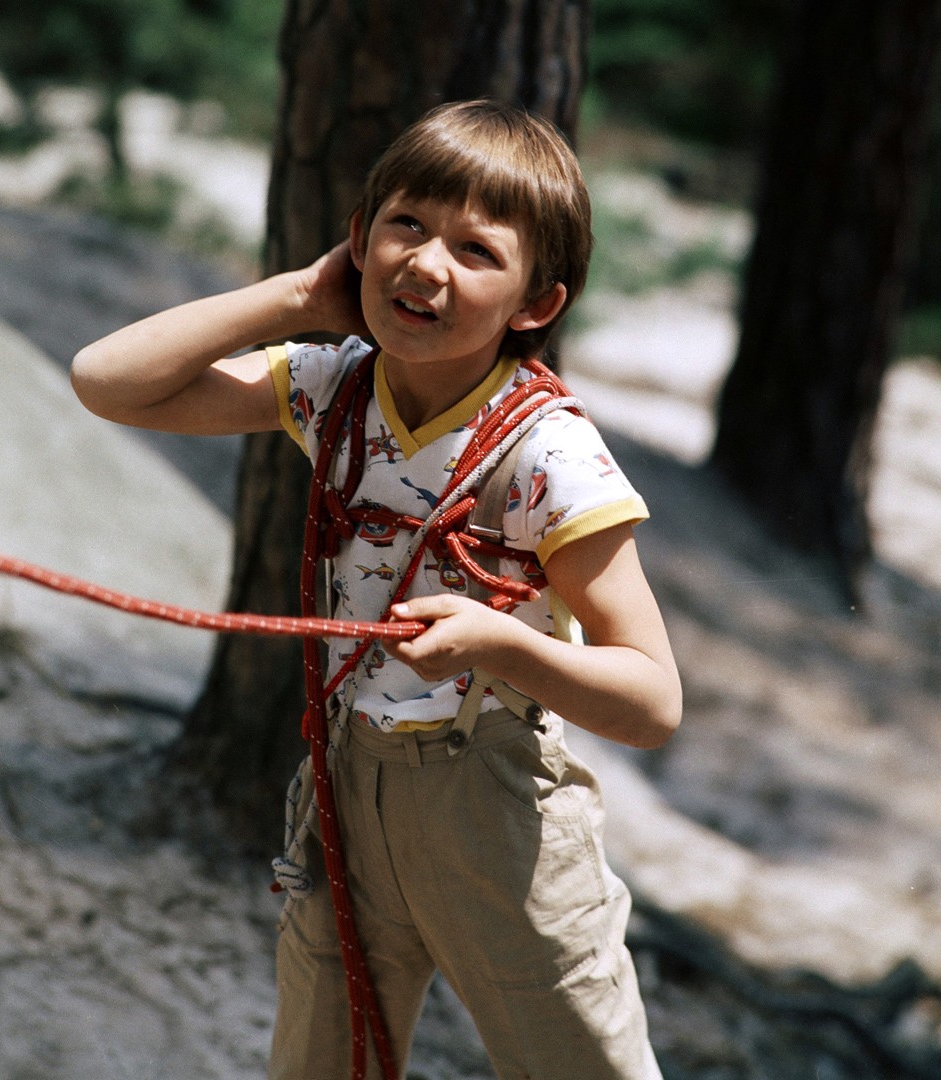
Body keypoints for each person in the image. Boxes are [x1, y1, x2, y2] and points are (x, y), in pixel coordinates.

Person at [70, 100, 681, 1079]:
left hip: (496, 804)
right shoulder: (334, 386)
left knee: (578, 1060)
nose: (428, 265)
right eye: (406, 225)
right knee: (325, 1052)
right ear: (361, 241)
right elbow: (106, 381)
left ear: (536, 304)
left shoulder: (550, 456)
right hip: (347, 779)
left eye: (477, 251)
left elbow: (653, 701)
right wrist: (294, 299)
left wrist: (497, 640)